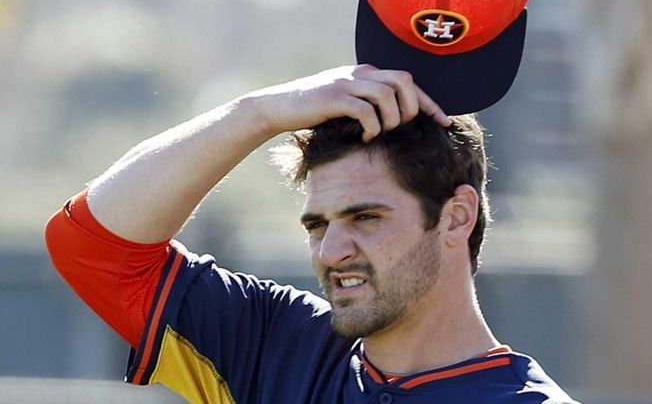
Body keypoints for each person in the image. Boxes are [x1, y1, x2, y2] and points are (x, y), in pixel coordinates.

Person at [45, 64, 580, 404]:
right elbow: (92, 246)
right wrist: (261, 113)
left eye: (365, 218)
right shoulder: (273, 344)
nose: (331, 251)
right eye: (318, 224)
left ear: (456, 218)